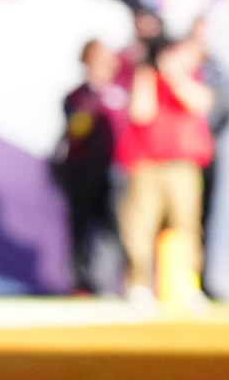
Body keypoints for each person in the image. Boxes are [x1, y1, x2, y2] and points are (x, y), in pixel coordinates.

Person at [116, 32, 215, 303]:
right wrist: (148, 73)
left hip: (183, 165)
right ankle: (138, 284)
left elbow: (201, 103)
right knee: (140, 226)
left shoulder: (191, 80)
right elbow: (141, 111)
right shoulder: (146, 77)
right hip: (147, 164)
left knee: (186, 226)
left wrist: (176, 76)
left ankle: (187, 284)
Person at [51, 40, 125, 296]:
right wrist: (94, 96)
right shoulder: (76, 96)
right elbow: (77, 129)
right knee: (80, 228)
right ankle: (82, 283)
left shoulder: (123, 91)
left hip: (115, 168)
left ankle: (108, 282)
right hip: (82, 168)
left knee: (112, 228)